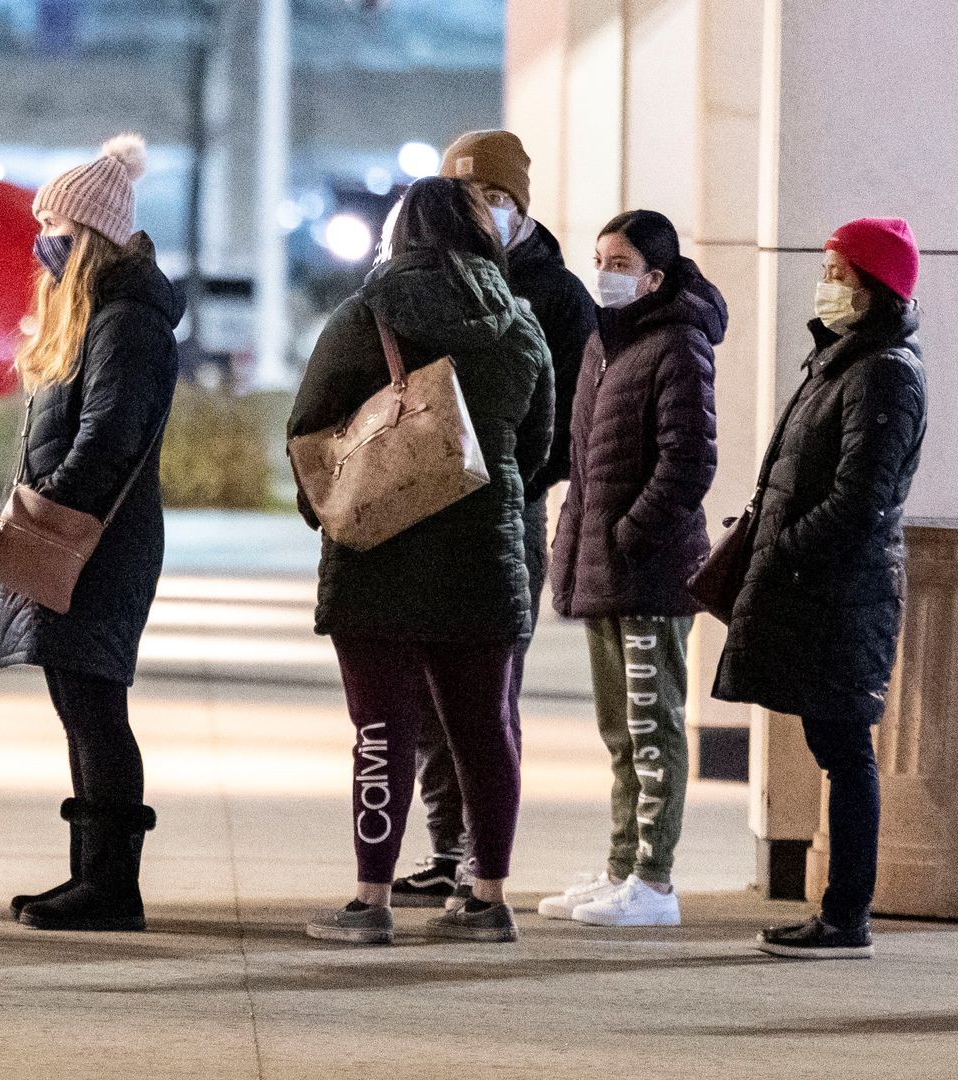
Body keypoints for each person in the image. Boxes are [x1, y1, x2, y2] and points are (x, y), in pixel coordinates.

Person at [288, 175, 554, 946]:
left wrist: (331, 512)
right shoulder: (520, 325)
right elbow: (537, 446)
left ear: (400, 234)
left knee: (381, 732)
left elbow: (307, 429)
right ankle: (489, 897)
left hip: (377, 558)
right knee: (486, 733)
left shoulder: (364, 315)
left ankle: (371, 899)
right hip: (485, 557)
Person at [393, 130, 597, 907]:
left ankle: (485, 860)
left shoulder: (558, 296)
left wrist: (512, 479)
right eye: (469, 195)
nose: (483, 209)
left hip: (510, 512)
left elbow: (571, 419)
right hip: (427, 508)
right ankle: (445, 849)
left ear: (521, 205)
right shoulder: (427, 280)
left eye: (498, 196)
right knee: (425, 692)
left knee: (487, 691)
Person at [714, 218, 927, 960]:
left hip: (842, 593)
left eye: (840, 274)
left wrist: (783, 551)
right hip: (823, 587)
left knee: (845, 752)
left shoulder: (884, 372)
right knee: (834, 745)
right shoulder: (842, 361)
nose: (826, 285)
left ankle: (845, 918)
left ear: (875, 288)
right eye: (826, 271)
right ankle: (839, 916)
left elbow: (860, 499)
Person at [0, 134, 181, 933]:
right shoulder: (100, 314)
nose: (45, 243)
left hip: (97, 539)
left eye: (57, 228)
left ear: (92, 234)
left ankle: (111, 887)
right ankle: (89, 875)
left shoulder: (126, 321)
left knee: (96, 706)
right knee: (79, 704)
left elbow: (108, 434)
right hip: (81, 532)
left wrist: (48, 506)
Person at [544, 210, 721, 927]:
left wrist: (629, 533)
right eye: (599, 261)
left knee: (653, 729)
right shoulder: (605, 343)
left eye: (619, 264)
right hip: (605, 568)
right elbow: (585, 463)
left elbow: (690, 461)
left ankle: (654, 882)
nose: (604, 275)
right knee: (620, 733)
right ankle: (622, 867)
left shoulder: (678, 343)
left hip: (651, 573)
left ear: (654, 277)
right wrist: (578, 546)